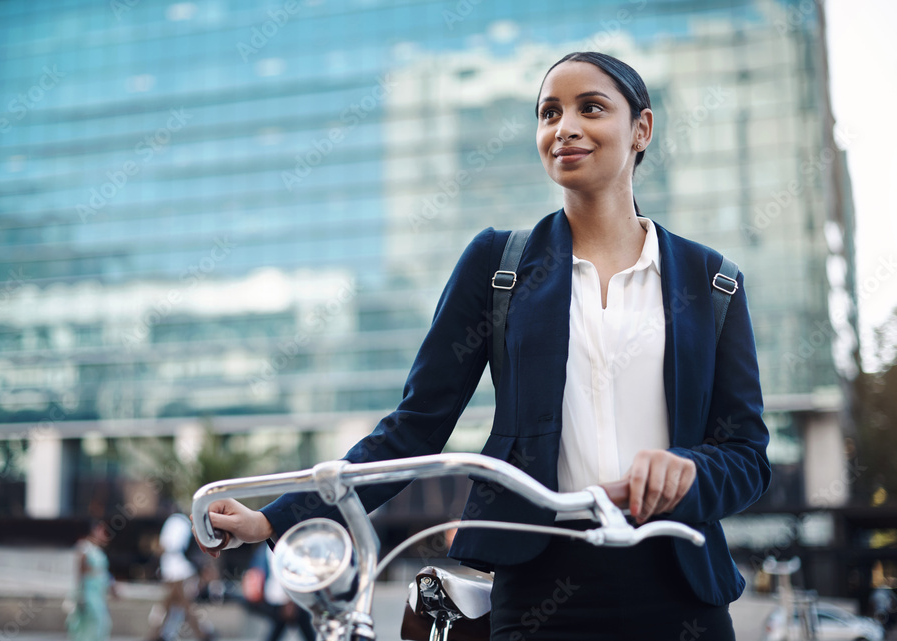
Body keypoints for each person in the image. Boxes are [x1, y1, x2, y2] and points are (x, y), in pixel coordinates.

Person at [192, 51, 771, 639]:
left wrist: (688, 472)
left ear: (641, 129)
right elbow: (415, 427)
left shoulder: (712, 281)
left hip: (678, 589)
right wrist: (277, 519)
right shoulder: (499, 265)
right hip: (539, 588)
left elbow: (748, 456)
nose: (564, 127)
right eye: (549, 113)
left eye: (590, 108)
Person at [147, 510, 216, 641]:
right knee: (177, 606)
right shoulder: (183, 522)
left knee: (182, 606)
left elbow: (169, 545)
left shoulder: (175, 522)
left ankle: (203, 634)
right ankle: (162, 635)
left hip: (177, 573)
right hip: (181, 572)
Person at [67, 519, 114, 641]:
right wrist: (80, 596)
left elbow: (103, 573)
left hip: (99, 594)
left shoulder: (99, 550)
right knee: (89, 625)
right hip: (89, 593)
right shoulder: (85, 548)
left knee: (102, 624)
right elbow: (81, 572)